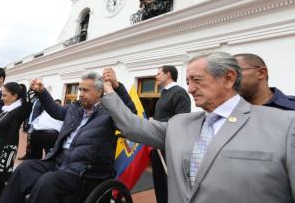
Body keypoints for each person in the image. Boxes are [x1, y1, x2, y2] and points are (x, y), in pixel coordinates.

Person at [101, 52, 295, 203]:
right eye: (188, 82)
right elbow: (132, 126)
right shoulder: (178, 125)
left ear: (228, 78)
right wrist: (110, 90)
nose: (190, 88)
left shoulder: (286, 125)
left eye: (197, 80)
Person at [0, 71, 136, 203]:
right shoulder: (75, 108)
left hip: (84, 170)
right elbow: (56, 110)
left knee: (47, 182)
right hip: (58, 160)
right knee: (24, 169)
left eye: (86, 90)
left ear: (99, 92)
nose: (81, 94)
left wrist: (117, 87)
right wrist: (42, 92)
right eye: (80, 89)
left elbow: (130, 118)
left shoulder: (110, 114)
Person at [0, 82, 32, 203]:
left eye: (5, 95)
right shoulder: (5, 110)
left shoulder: (17, 112)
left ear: (15, 96)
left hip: (1, 156)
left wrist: (31, 88)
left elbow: (28, 104)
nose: (1, 98)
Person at [152, 65, 191, 203]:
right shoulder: (164, 93)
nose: (156, 76)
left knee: (170, 186)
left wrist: (156, 124)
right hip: (158, 147)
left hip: (170, 149)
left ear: (168, 75)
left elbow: (183, 119)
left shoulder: (179, 93)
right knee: (159, 185)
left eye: (158, 73)